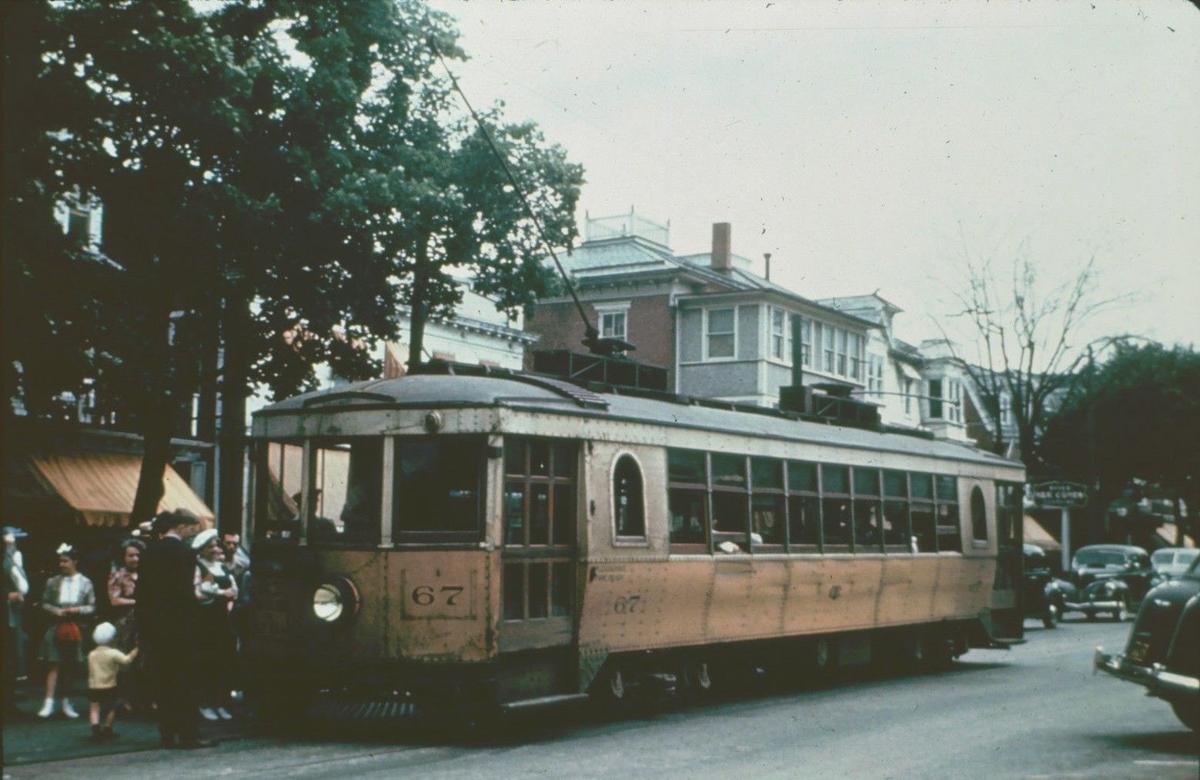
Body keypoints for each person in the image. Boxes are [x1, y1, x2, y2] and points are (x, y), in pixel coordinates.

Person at [136, 509, 215, 749]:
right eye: (191, 529)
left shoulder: (149, 553)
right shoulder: (185, 554)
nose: (192, 533)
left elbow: (143, 594)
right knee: (185, 680)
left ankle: (167, 732)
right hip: (181, 627)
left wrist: (145, 626)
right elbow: (185, 593)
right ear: (181, 527)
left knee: (164, 680)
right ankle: (189, 733)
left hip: (156, 627)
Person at [37, 543, 95, 719]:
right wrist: (56, 611)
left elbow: (92, 606)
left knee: (71, 665)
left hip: (76, 627)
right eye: (60, 561)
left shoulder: (86, 582)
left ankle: (66, 701)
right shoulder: (52, 581)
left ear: (75, 561)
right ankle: (48, 702)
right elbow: (44, 602)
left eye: (65, 561)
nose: (62, 564)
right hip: (56, 626)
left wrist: (77, 610)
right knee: (54, 663)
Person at [192, 529, 238, 720]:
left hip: (222, 617)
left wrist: (230, 596)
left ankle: (220, 702)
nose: (215, 549)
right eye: (210, 546)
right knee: (207, 659)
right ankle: (205, 703)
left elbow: (234, 588)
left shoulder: (222, 567)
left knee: (224, 659)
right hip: (206, 619)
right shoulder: (199, 567)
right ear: (202, 550)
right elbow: (198, 592)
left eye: (215, 545)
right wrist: (220, 594)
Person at [86, 621, 138, 740]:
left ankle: (95, 729)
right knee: (111, 708)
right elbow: (126, 661)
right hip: (109, 685)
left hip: (93, 686)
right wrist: (135, 651)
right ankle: (108, 728)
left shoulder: (92, 654)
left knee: (94, 707)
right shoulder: (113, 653)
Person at [4, 527, 30, 713]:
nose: (13, 544)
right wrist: (7, 595)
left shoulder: (12, 559)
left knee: (11, 658)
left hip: (11, 616)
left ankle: (8, 701)